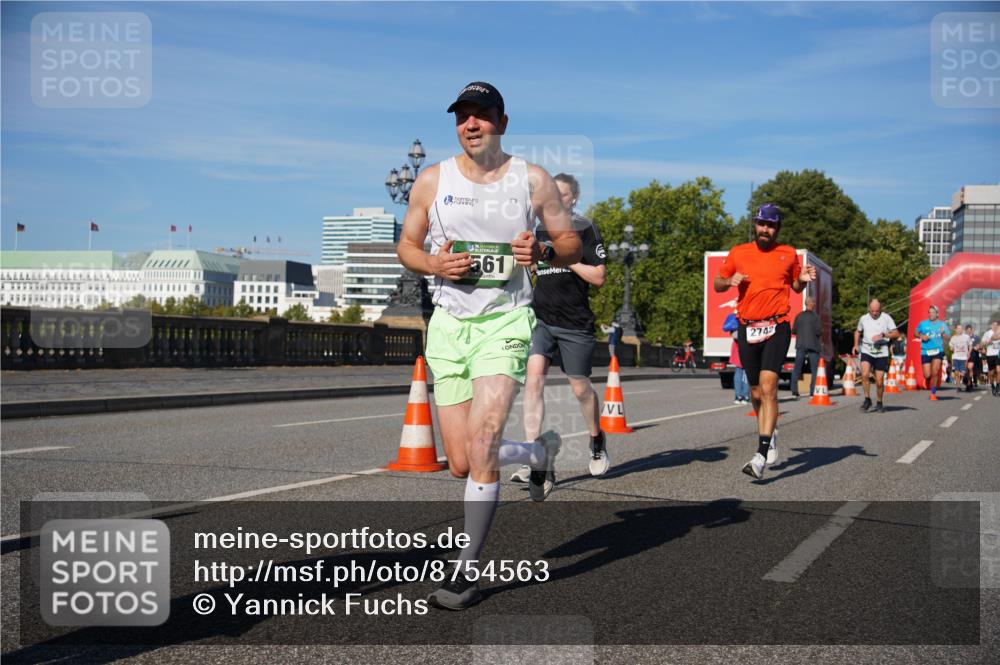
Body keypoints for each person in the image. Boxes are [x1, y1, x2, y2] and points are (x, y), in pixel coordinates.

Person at [397, 81, 581, 610]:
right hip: (450, 328)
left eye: (481, 115)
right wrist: (434, 263)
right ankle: (535, 452)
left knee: (482, 444)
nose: (470, 124)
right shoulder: (432, 180)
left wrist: (541, 246)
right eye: (463, 116)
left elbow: (569, 244)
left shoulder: (533, 180)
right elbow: (406, 247)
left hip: (506, 322)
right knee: (460, 462)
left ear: (502, 122)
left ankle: (466, 572)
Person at [511, 173, 610, 483]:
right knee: (533, 381)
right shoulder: (538, 230)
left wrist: (565, 259)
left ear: (573, 198)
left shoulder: (585, 229)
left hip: (575, 323)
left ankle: (596, 440)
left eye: (562, 194)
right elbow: (530, 268)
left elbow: (598, 277)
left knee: (581, 389)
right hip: (541, 319)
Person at [714, 203, 815, 479]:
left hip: (776, 325)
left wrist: (803, 280)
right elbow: (717, 283)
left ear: (777, 228)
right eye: (761, 224)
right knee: (756, 392)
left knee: (769, 386)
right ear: (755, 225)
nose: (765, 229)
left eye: (771, 225)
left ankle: (760, 453)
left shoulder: (788, 253)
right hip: (748, 328)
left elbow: (795, 286)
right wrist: (729, 281)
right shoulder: (739, 252)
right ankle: (770, 431)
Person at [852, 299, 899, 413]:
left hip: (881, 351)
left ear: (880, 309)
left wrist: (884, 334)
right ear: (869, 309)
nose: (875, 313)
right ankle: (867, 399)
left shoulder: (886, 318)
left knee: (879, 381)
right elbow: (857, 332)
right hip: (867, 350)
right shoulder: (863, 318)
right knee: (864, 374)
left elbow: (896, 333)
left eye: (877, 311)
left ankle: (879, 402)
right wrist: (856, 345)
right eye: (872, 311)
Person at [915, 305, 950, 400]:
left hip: (938, 351)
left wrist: (943, 334)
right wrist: (921, 336)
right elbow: (915, 333)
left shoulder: (942, 325)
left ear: (937, 314)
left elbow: (948, 337)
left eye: (933, 312)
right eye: (929, 312)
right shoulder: (923, 324)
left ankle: (933, 393)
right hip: (925, 351)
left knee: (935, 372)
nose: (931, 314)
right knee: (927, 374)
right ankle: (928, 380)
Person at [790, 296, 821, 398]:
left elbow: (793, 330)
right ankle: (812, 391)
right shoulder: (816, 317)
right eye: (814, 302)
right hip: (813, 345)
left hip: (800, 345)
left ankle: (794, 391)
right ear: (811, 304)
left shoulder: (799, 316)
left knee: (797, 368)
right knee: (814, 369)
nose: (815, 304)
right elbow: (819, 332)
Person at [980, 319, 1000, 396]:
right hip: (990, 354)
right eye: (993, 325)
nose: (995, 326)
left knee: (999, 370)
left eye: (996, 325)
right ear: (991, 326)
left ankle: (998, 385)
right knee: (991, 373)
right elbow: (982, 343)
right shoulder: (987, 333)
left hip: (998, 354)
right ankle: (992, 385)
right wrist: (987, 342)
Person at [949, 324, 970, 390]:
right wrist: (951, 348)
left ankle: (967, 381)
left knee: (963, 374)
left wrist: (969, 352)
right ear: (956, 330)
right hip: (955, 357)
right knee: (956, 372)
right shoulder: (953, 338)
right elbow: (951, 347)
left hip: (964, 358)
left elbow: (970, 345)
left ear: (962, 330)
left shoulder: (966, 337)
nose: (959, 330)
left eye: (961, 329)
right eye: (958, 329)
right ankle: (958, 386)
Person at [964, 324, 981, 391]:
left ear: (972, 330)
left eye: (970, 330)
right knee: (966, 370)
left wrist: (976, 347)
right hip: (964, 355)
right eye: (967, 331)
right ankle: (969, 381)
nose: (969, 332)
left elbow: (978, 346)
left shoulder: (976, 337)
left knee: (970, 368)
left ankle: (969, 384)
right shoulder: (964, 337)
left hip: (973, 355)